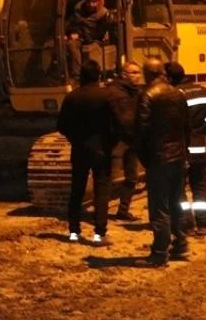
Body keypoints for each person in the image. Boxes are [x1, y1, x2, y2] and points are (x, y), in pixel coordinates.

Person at [56, 59, 121, 246]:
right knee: (101, 192)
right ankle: (99, 234)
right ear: (99, 75)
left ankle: (73, 232)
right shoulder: (107, 96)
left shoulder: (71, 97)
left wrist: (75, 139)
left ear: (81, 76)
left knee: (77, 191)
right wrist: (112, 142)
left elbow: (61, 125)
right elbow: (117, 123)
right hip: (102, 150)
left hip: (79, 149)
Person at [135, 58, 190, 267]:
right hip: (178, 156)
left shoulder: (147, 95)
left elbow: (141, 130)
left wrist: (144, 158)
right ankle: (180, 243)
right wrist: (184, 153)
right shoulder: (178, 94)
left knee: (159, 207)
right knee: (176, 202)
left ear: (147, 73)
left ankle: (159, 253)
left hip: (159, 158)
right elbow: (186, 127)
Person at [166, 62, 206, 235]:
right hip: (199, 148)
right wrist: (203, 130)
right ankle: (203, 225)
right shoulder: (202, 90)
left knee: (179, 189)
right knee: (199, 187)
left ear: (170, 78)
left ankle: (186, 225)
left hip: (181, 150)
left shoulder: (174, 94)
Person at [105, 61, 144, 222]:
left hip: (131, 140)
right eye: (133, 73)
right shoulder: (113, 92)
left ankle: (123, 210)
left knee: (132, 177)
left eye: (138, 72)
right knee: (109, 178)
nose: (137, 76)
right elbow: (121, 118)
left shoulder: (137, 92)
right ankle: (101, 212)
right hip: (117, 140)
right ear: (124, 75)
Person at [65, 0, 116, 83]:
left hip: (94, 38)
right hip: (80, 36)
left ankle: (84, 76)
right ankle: (75, 75)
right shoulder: (78, 9)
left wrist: (94, 39)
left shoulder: (103, 14)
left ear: (98, 2)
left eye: (94, 2)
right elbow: (74, 23)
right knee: (70, 44)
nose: (91, 5)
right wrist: (72, 33)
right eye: (89, 2)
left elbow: (102, 31)